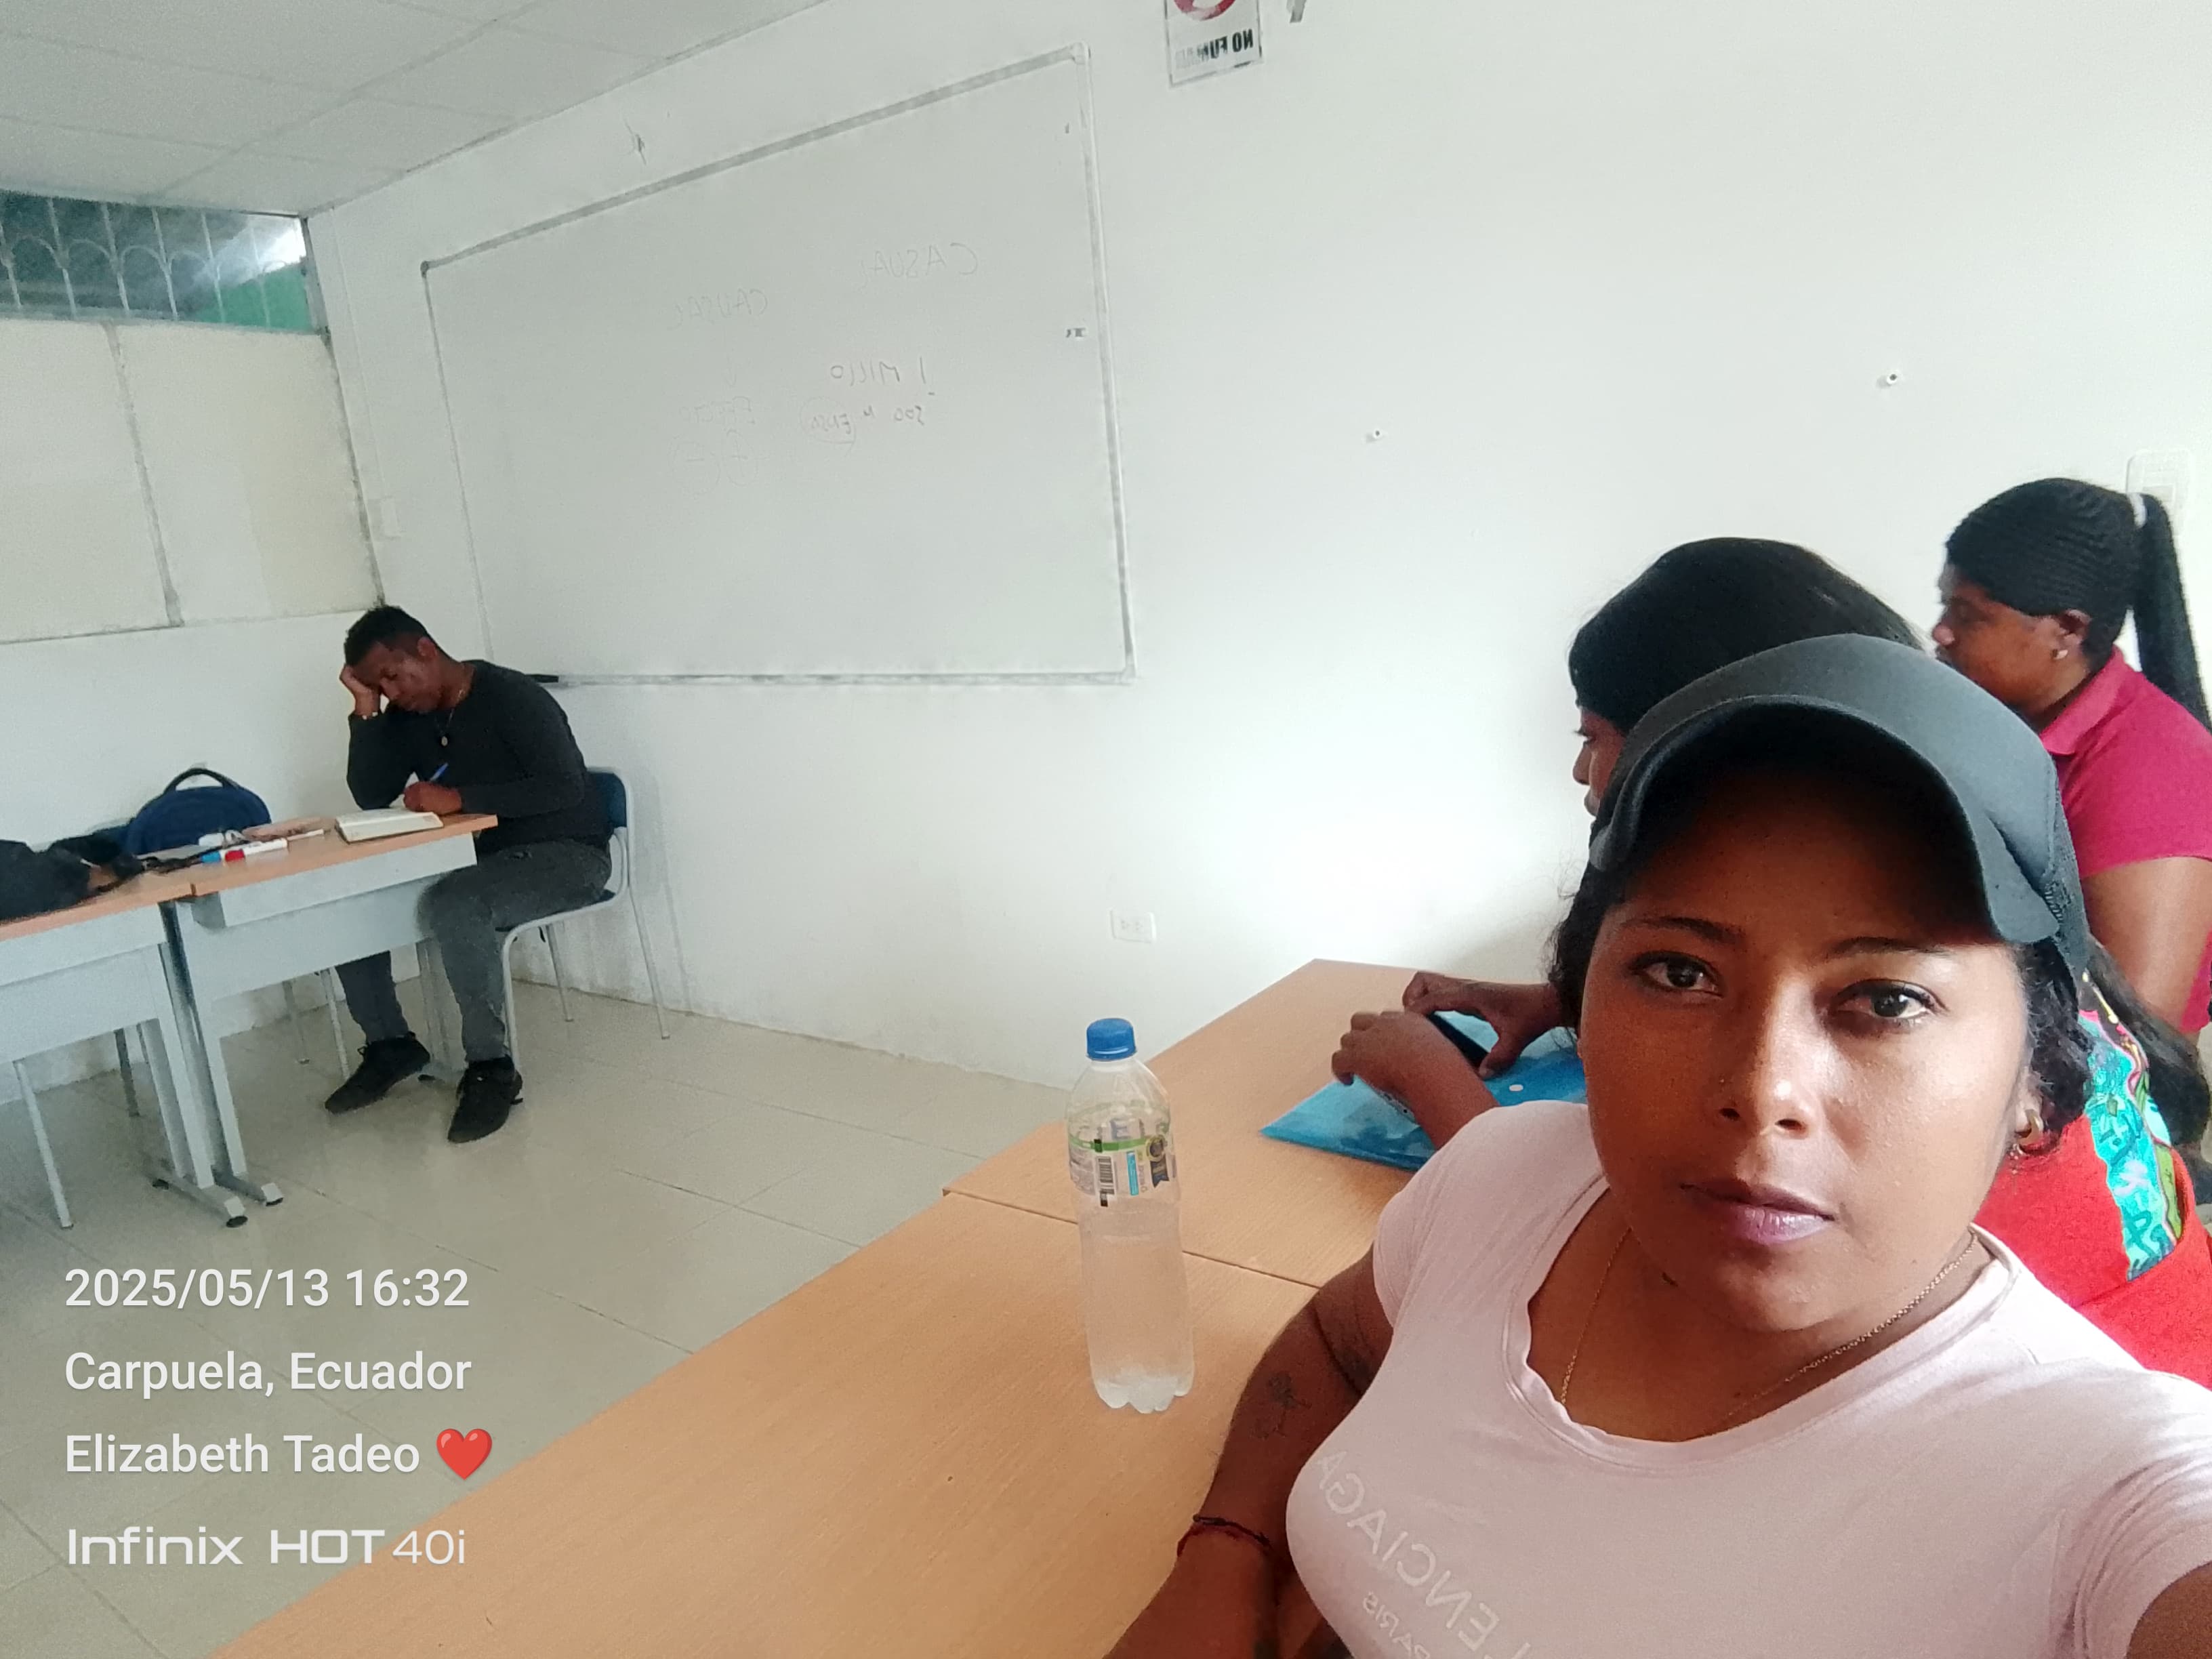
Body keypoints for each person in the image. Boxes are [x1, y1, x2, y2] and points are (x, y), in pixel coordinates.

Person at [1108, 636, 2212, 1659]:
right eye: (1680, 972)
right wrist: (1225, 1552)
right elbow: (1337, 1338)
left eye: (1885, 998)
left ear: (2036, 1076)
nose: (1759, 1090)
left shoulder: (2099, 1480)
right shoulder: (1504, 1180)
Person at [1336, 537, 2212, 1384]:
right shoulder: (2016, 952)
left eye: (1596, 734)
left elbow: (1582, 1225)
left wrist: (1430, 1080)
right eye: (1681, 969)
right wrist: (1562, 1000)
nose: (1580, 770)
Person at [1935, 478, 2212, 1038]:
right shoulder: (2000, 717)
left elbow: (2137, 1035)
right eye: (1945, 604)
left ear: (2066, 631)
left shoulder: (2151, 766)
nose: (1941, 631)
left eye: (1970, 615)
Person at [326, 607, 610, 1143]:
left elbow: (564, 786)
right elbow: (370, 793)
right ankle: (391, 1045)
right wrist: (364, 710)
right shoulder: (408, 714)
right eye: (379, 686)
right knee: (353, 896)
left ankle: (491, 1068)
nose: (392, 692)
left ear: (425, 650)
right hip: (481, 859)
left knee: (456, 904)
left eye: (393, 677)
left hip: (568, 854)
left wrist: (460, 798)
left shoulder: (513, 697)